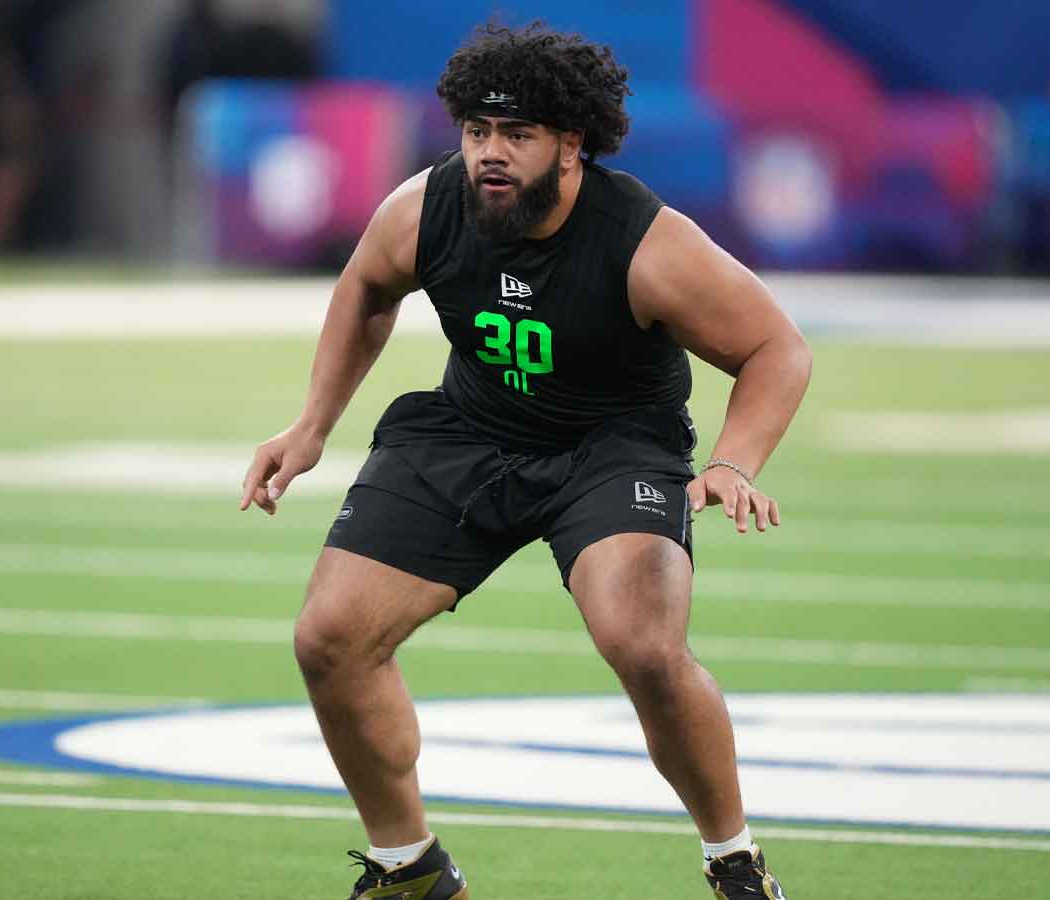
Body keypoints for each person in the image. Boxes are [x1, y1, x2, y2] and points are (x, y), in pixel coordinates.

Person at [240, 22, 811, 900]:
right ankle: (408, 869)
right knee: (330, 638)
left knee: (644, 646)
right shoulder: (424, 208)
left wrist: (734, 462)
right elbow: (365, 286)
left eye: (518, 134)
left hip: (612, 447)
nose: (489, 154)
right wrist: (312, 425)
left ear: (572, 143)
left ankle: (734, 861)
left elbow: (777, 346)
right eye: (476, 132)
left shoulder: (648, 243)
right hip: (469, 432)